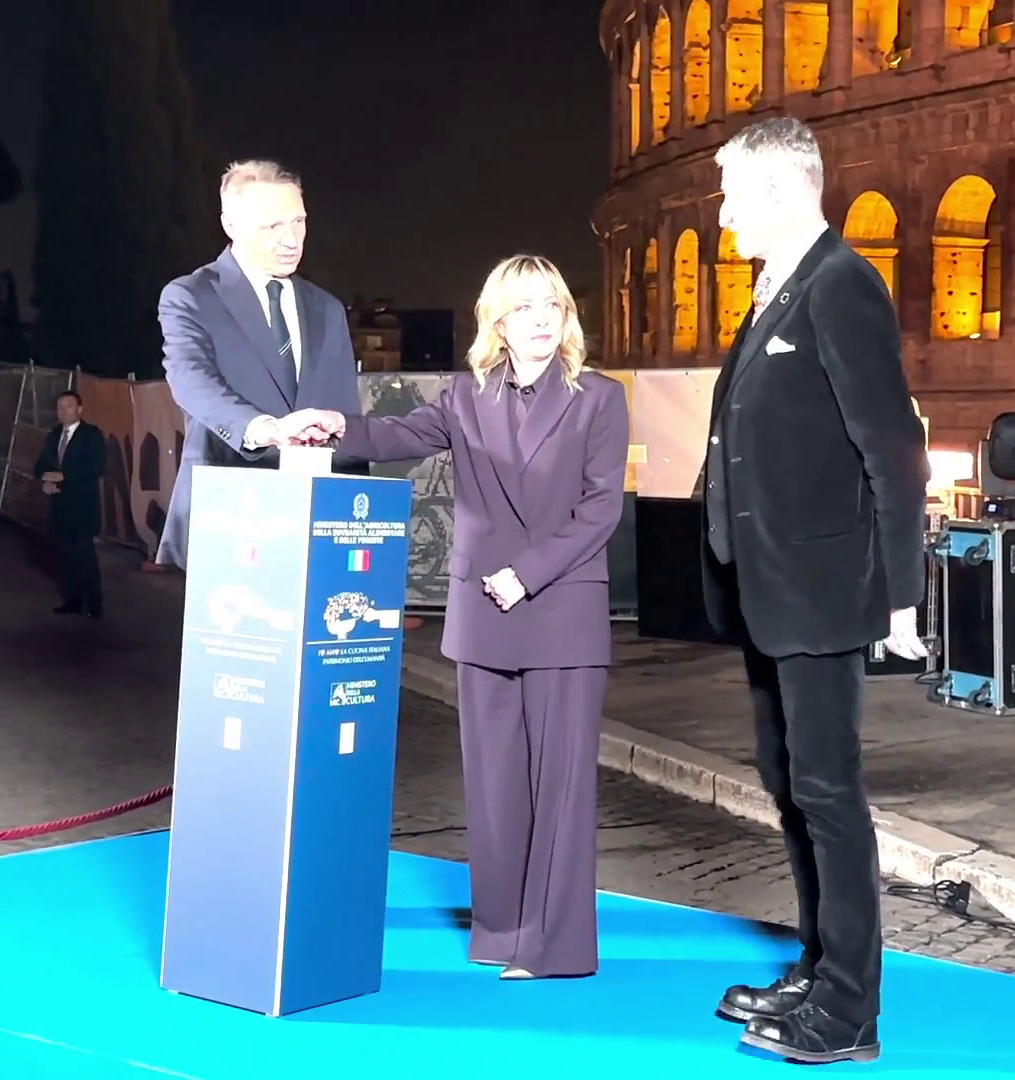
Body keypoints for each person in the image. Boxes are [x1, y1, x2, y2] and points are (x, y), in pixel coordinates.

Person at [291, 255, 629, 981]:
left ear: (567, 317)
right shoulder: (467, 396)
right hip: (483, 614)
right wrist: (332, 426)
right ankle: (501, 932)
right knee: (494, 782)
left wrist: (527, 574)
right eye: (524, 308)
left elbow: (602, 507)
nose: (541, 320)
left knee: (560, 788)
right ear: (498, 323)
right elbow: (396, 436)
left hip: (561, 611)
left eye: (553, 306)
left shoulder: (600, 397)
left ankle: (556, 947)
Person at [697, 116, 929, 1064]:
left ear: (786, 192)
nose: (722, 216)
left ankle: (849, 1013)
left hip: (824, 589)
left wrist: (903, 598)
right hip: (768, 588)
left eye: (732, 196)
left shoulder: (841, 285)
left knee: (830, 792)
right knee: (787, 781)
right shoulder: (775, 290)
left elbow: (893, 451)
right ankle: (818, 964)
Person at [155, 158, 364, 569]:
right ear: (230, 225)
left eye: (299, 222)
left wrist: (354, 513)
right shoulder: (190, 296)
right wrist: (265, 429)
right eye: (272, 226)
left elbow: (345, 415)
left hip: (316, 525)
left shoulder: (327, 308)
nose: (291, 239)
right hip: (229, 521)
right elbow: (190, 380)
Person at [33, 390, 107, 618]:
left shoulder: (91, 435)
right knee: (65, 558)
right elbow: (41, 465)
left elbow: (97, 467)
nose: (63, 411)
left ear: (79, 410)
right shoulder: (54, 435)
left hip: (82, 508)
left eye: (68, 406)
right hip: (59, 509)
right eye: (60, 407)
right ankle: (72, 601)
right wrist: (45, 480)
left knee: (85, 557)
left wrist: (64, 477)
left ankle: (94, 605)